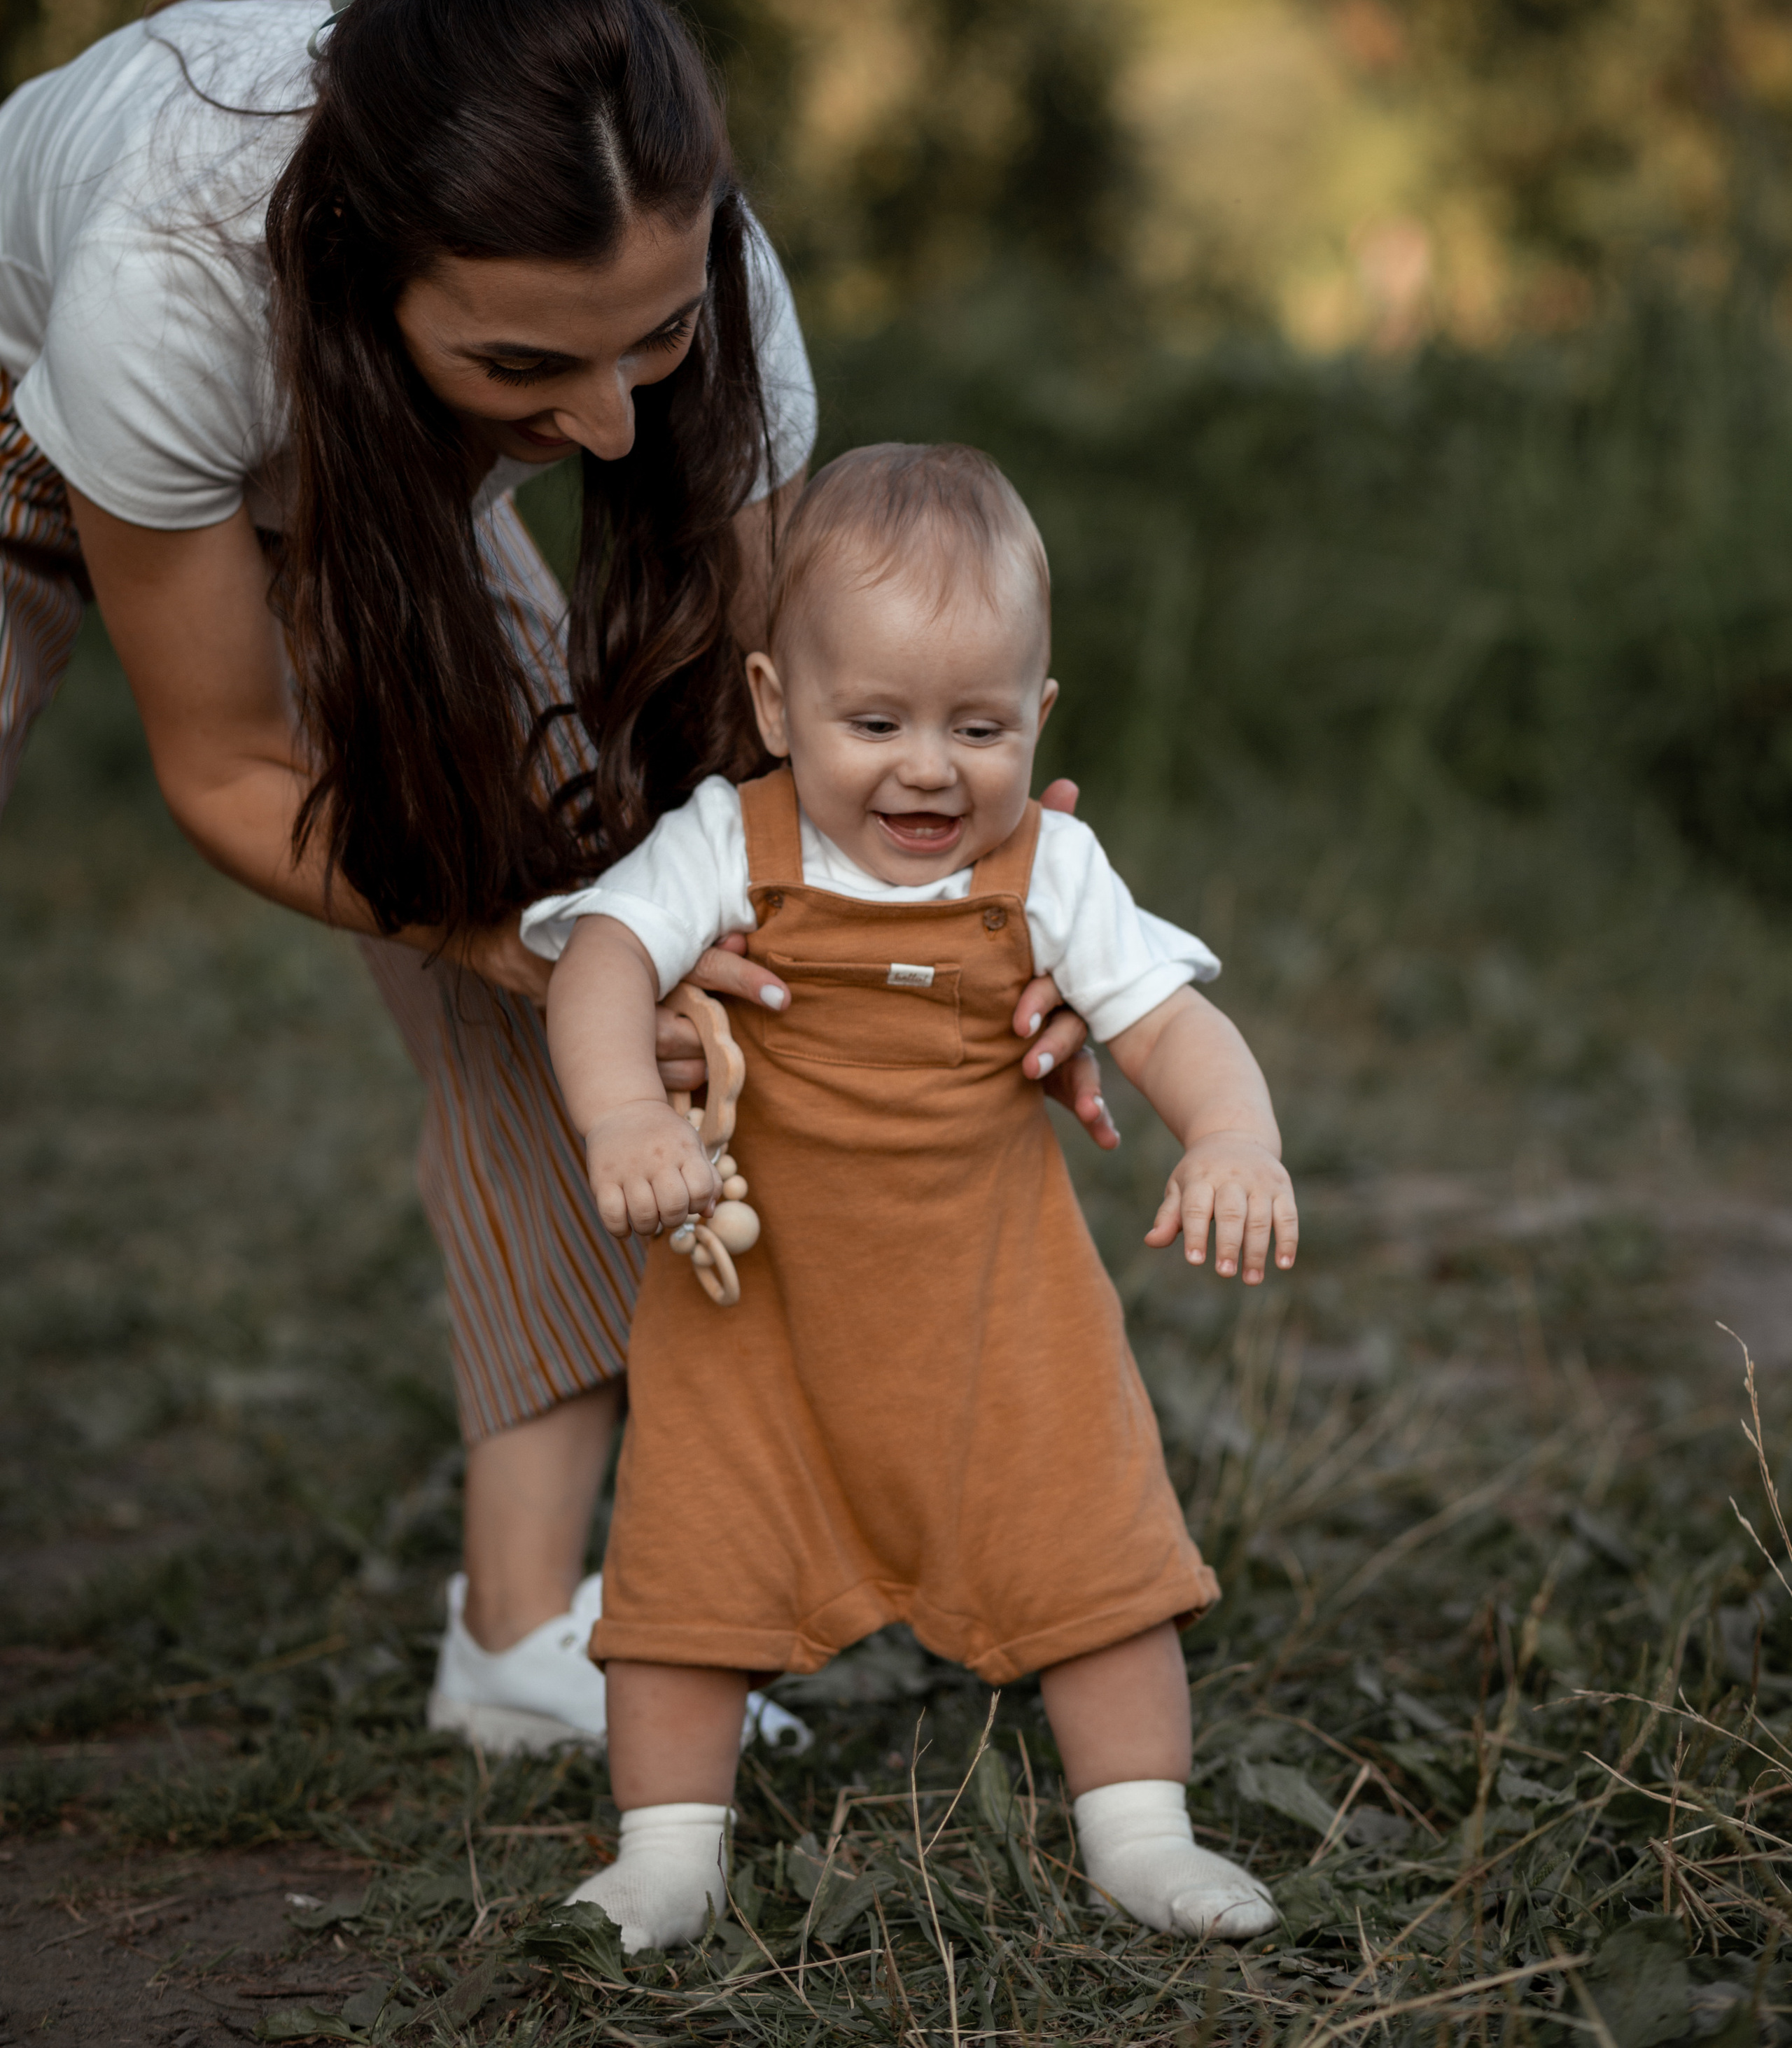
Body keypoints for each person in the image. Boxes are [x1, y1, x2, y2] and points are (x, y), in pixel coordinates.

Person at [0, 0, 1110, 1751]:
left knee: (606, 913)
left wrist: (986, 911)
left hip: (361, 454)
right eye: (530, 357)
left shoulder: (695, 258)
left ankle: (520, 1637)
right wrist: (502, 932)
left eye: (651, 343)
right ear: (372, 278)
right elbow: (226, 768)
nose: (607, 425)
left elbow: (775, 756)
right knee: (548, 933)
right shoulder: (170, 273)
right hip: (28, 395)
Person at [520, 441, 1300, 1949]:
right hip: (757, 1319)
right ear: (772, 708)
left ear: (1041, 718)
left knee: (1097, 1560)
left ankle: (1140, 1832)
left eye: (978, 724)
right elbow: (603, 959)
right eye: (871, 720)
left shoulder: (1050, 867)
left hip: (1000, 1316)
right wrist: (622, 1110)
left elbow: (1166, 1024)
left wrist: (1230, 1140)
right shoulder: (724, 842)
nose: (928, 766)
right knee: (689, 1569)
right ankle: (665, 1855)